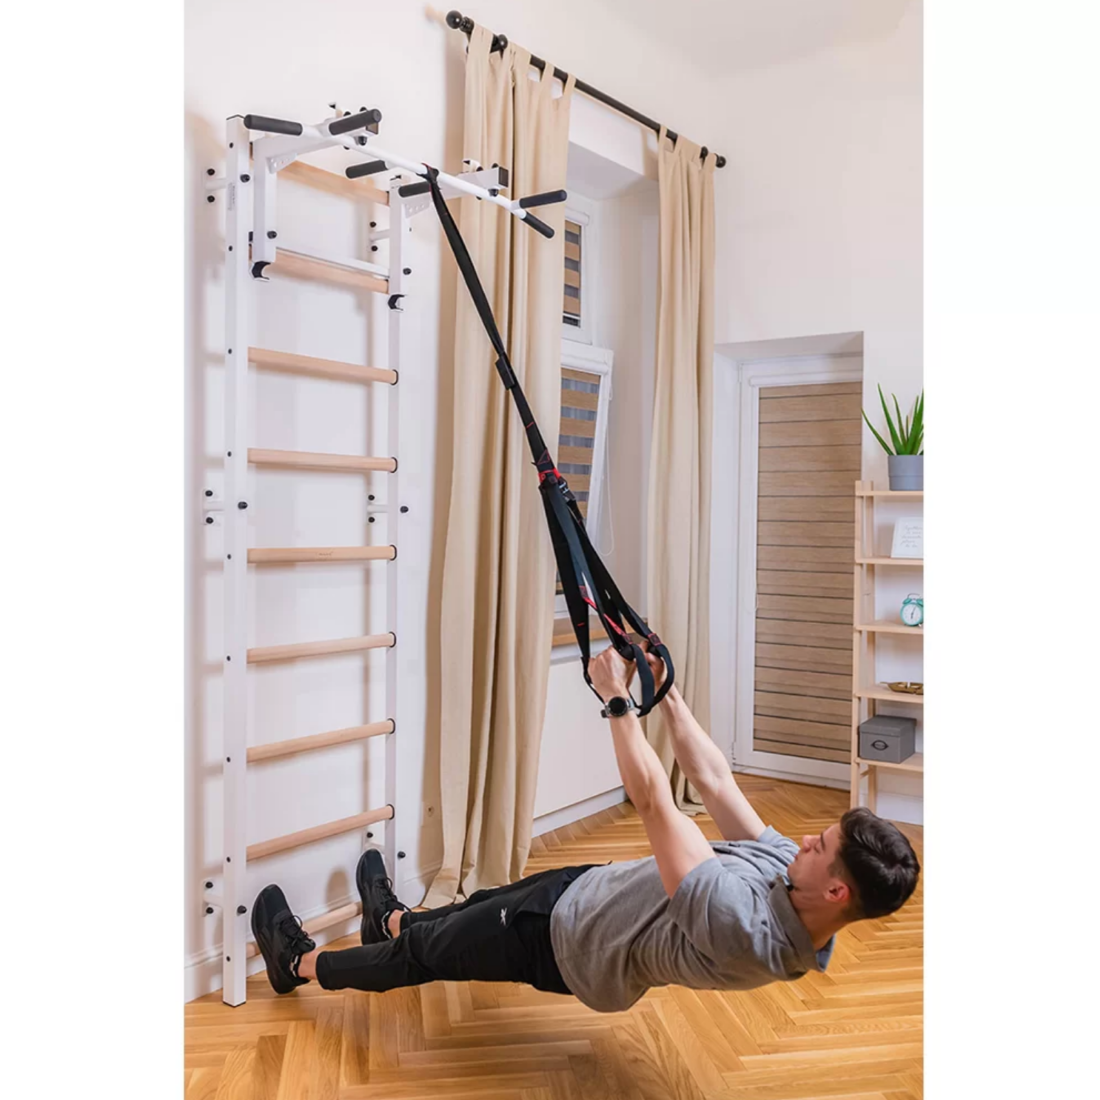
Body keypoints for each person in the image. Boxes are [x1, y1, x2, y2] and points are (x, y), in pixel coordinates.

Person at [251, 645, 920, 1011]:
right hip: (593, 892)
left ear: (837, 893)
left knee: (428, 958)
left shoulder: (747, 931)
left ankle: (300, 965)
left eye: (821, 847)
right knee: (476, 906)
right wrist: (668, 694)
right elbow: (714, 782)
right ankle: (391, 920)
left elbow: (657, 804)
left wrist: (619, 703)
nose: (806, 840)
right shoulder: (795, 884)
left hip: (569, 942)